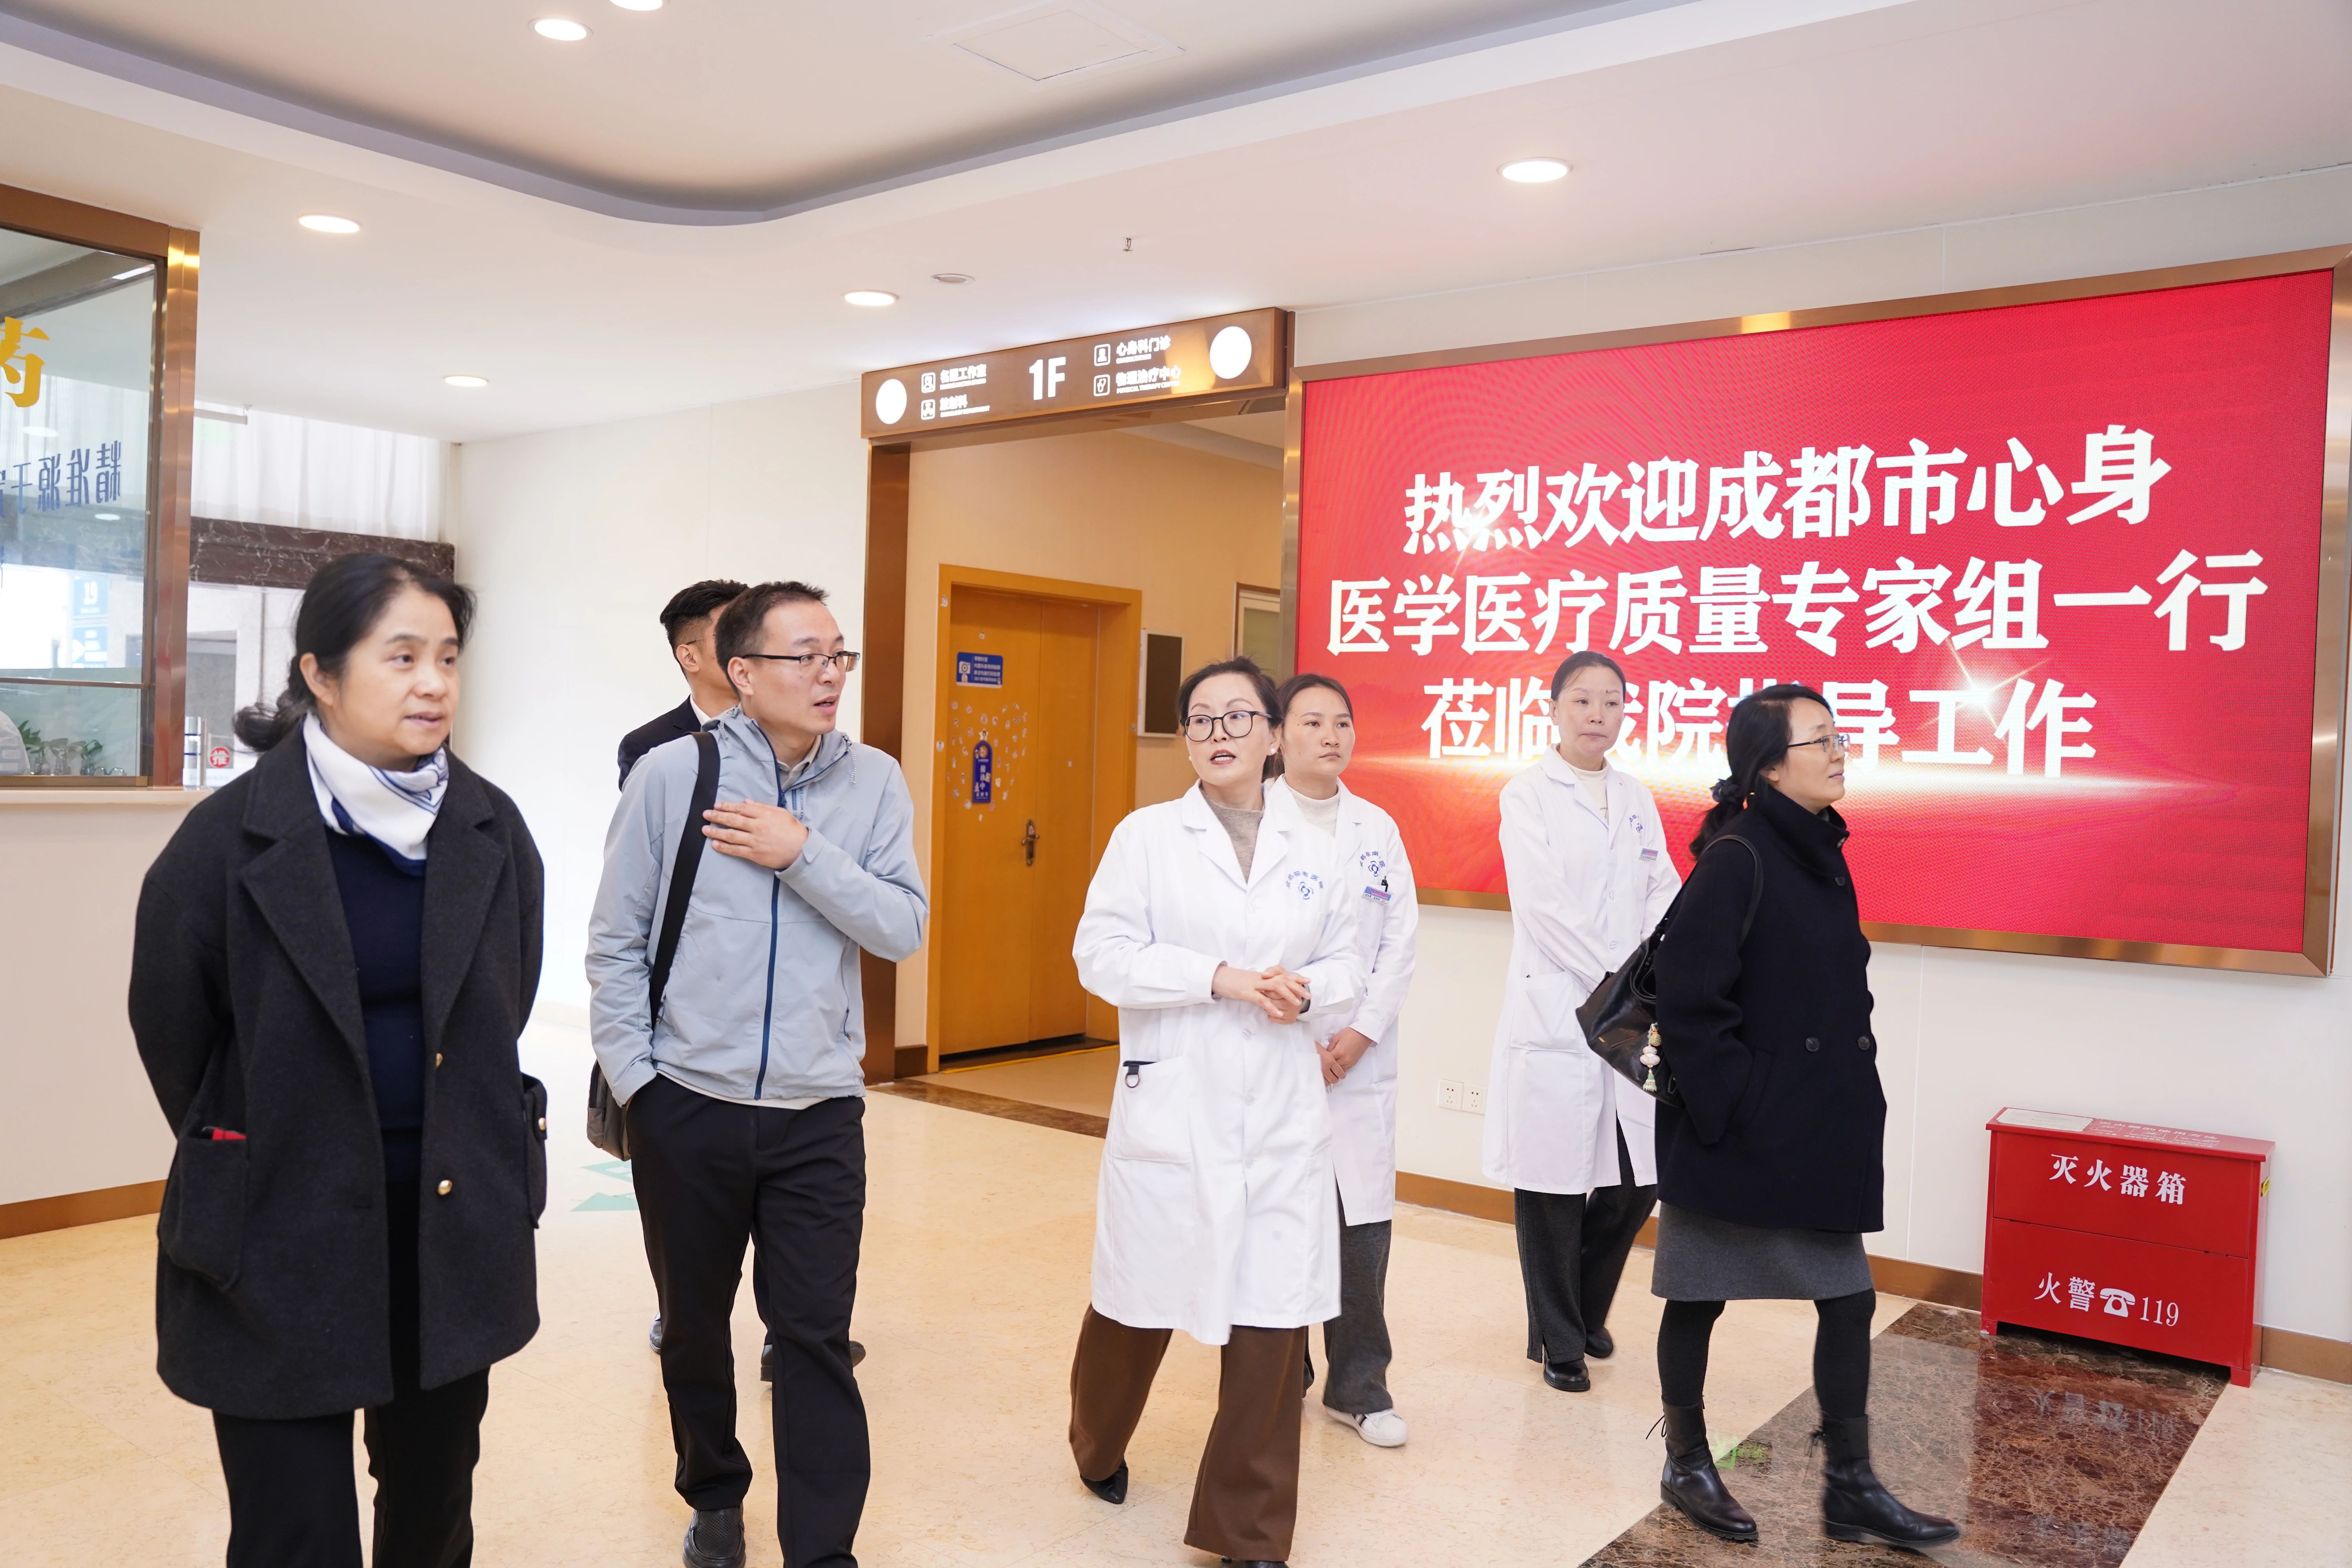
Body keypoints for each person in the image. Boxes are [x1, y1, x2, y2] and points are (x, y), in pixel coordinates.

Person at [128, 552, 545, 1568]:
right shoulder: (227, 839)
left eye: (447, 656)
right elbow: (172, 1025)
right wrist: (269, 1137)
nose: (433, 683)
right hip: (278, 1227)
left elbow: (505, 999)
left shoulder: (489, 827)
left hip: (446, 1221)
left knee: (433, 1507)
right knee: (294, 1530)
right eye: (401, 656)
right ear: (319, 672)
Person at [586, 579, 924, 1568]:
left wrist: (802, 851)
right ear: (742, 671)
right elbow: (615, 939)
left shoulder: (875, 782)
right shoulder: (672, 774)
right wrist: (643, 1084)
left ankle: (823, 1550)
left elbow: (901, 926)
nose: (829, 674)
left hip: (819, 1109)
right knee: (694, 1329)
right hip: (688, 1102)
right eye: (803, 655)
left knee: (814, 1334)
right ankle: (715, 1493)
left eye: (838, 654)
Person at [1067, 657, 1363, 1568]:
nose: (1219, 732)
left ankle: (1249, 1530)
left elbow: (1351, 962)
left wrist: (1308, 990)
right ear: (1186, 739)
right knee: (1138, 1299)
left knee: (1274, 1316)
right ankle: (1096, 1438)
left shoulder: (1320, 847)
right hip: (1176, 1102)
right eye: (1201, 719)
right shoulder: (1148, 837)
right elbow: (1101, 955)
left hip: (1279, 1108)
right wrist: (1218, 977)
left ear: (1272, 735)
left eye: (1238, 716)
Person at [1647, 685, 1960, 1550]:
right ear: (1770, 768)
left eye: (1838, 735)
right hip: (1738, 1131)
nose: (1839, 750)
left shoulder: (1821, 848)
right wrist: (1739, 1104)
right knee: (1698, 1297)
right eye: (1819, 739)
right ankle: (1685, 1460)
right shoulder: (1738, 856)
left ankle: (1851, 1486)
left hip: (1813, 1126)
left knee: (1849, 1300)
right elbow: (1691, 1002)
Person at [1481, 650, 1679, 1393]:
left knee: (1634, 1181)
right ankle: (1560, 1341)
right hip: (1561, 1006)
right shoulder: (1527, 795)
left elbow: (1663, 889)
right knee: (1551, 1184)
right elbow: (1542, 906)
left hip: (1630, 1010)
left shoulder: (1635, 796)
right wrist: (1618, 979)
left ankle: (1583, 1308)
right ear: (1555, 710)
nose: (1598, 714)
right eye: (1583, 700)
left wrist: (1658, 966)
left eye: (1612, 702)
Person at [1265, 672, 1419, 1449]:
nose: (1330, 735)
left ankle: (1359, 1385)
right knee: (1276, 1219)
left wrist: (1359, 1035)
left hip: (1358, 1057)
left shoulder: (1376, 827)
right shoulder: (1253, 821)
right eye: (1312, 721)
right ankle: (1275, 1373)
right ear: (1277, 735)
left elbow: (1399, 942)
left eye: (1342, 722)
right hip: (1275, 1049)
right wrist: (1305, 1039)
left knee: (1361, 1230)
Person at [619, 579, 746, 788]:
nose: (751, 648)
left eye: (755, 635)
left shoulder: (790, 731)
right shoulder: (649, 746)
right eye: (732, 637)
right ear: (690, 658)